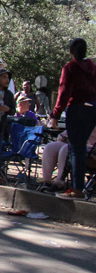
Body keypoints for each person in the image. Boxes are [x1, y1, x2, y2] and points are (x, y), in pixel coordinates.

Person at [49, 38, 96, 200]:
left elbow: (64, 92)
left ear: (71, 51)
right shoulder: (93, 67)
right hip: (93, 107)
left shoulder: (70, 67)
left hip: (78, 108)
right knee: (81, 148)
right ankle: (78, 187)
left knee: (76, 149)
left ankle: (77, 189)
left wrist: (56, 114)